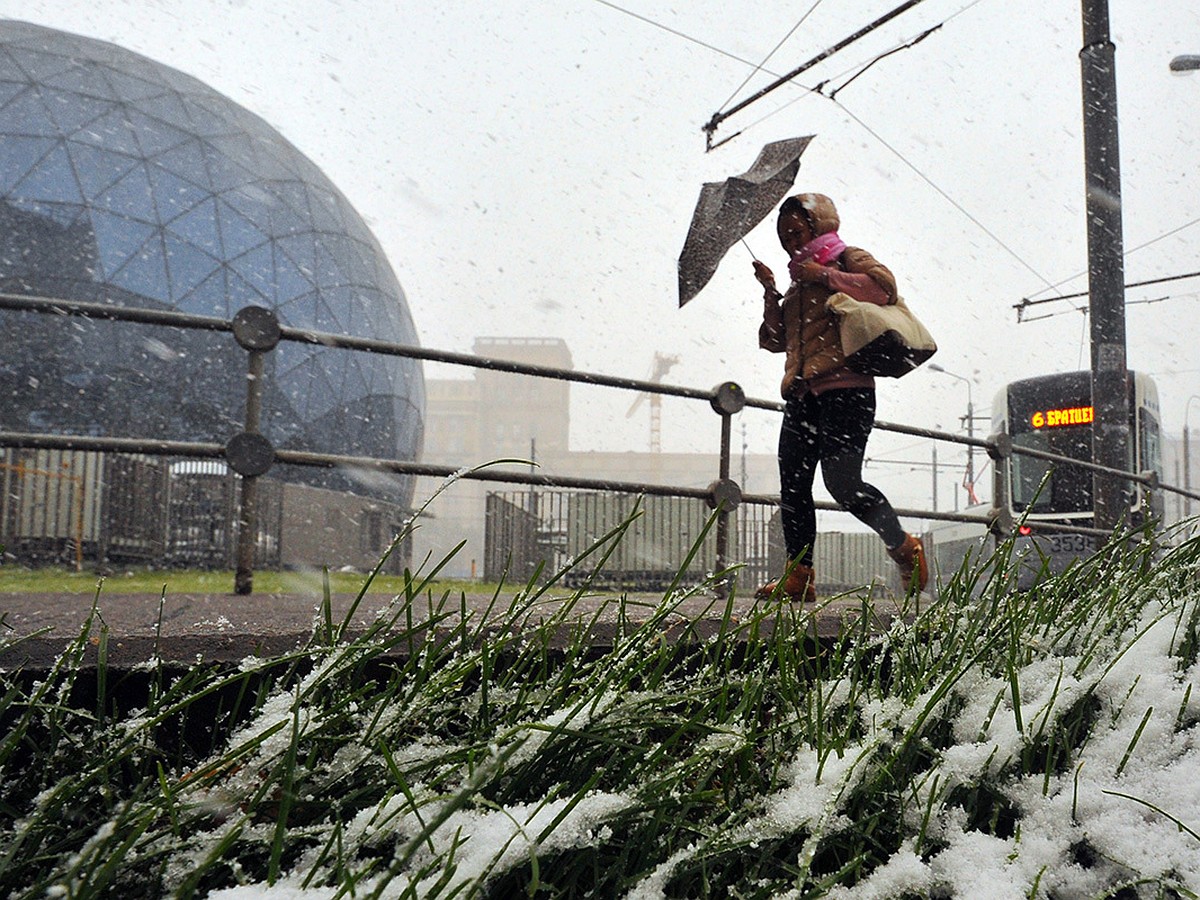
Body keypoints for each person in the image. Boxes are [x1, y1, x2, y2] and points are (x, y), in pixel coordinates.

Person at [753, 192, 926, 602]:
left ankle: (904, 547)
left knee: (843, 483)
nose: (790, 242)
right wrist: (771, 292)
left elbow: (884, 289)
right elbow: (777, 342)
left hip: (847, 392)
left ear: (818, 225)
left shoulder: (845, 257)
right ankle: (799, 578)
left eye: (796, 231)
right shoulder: (796, 282)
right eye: (784, 237)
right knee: (793, 486)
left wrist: (824, 276)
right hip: (801, 395)